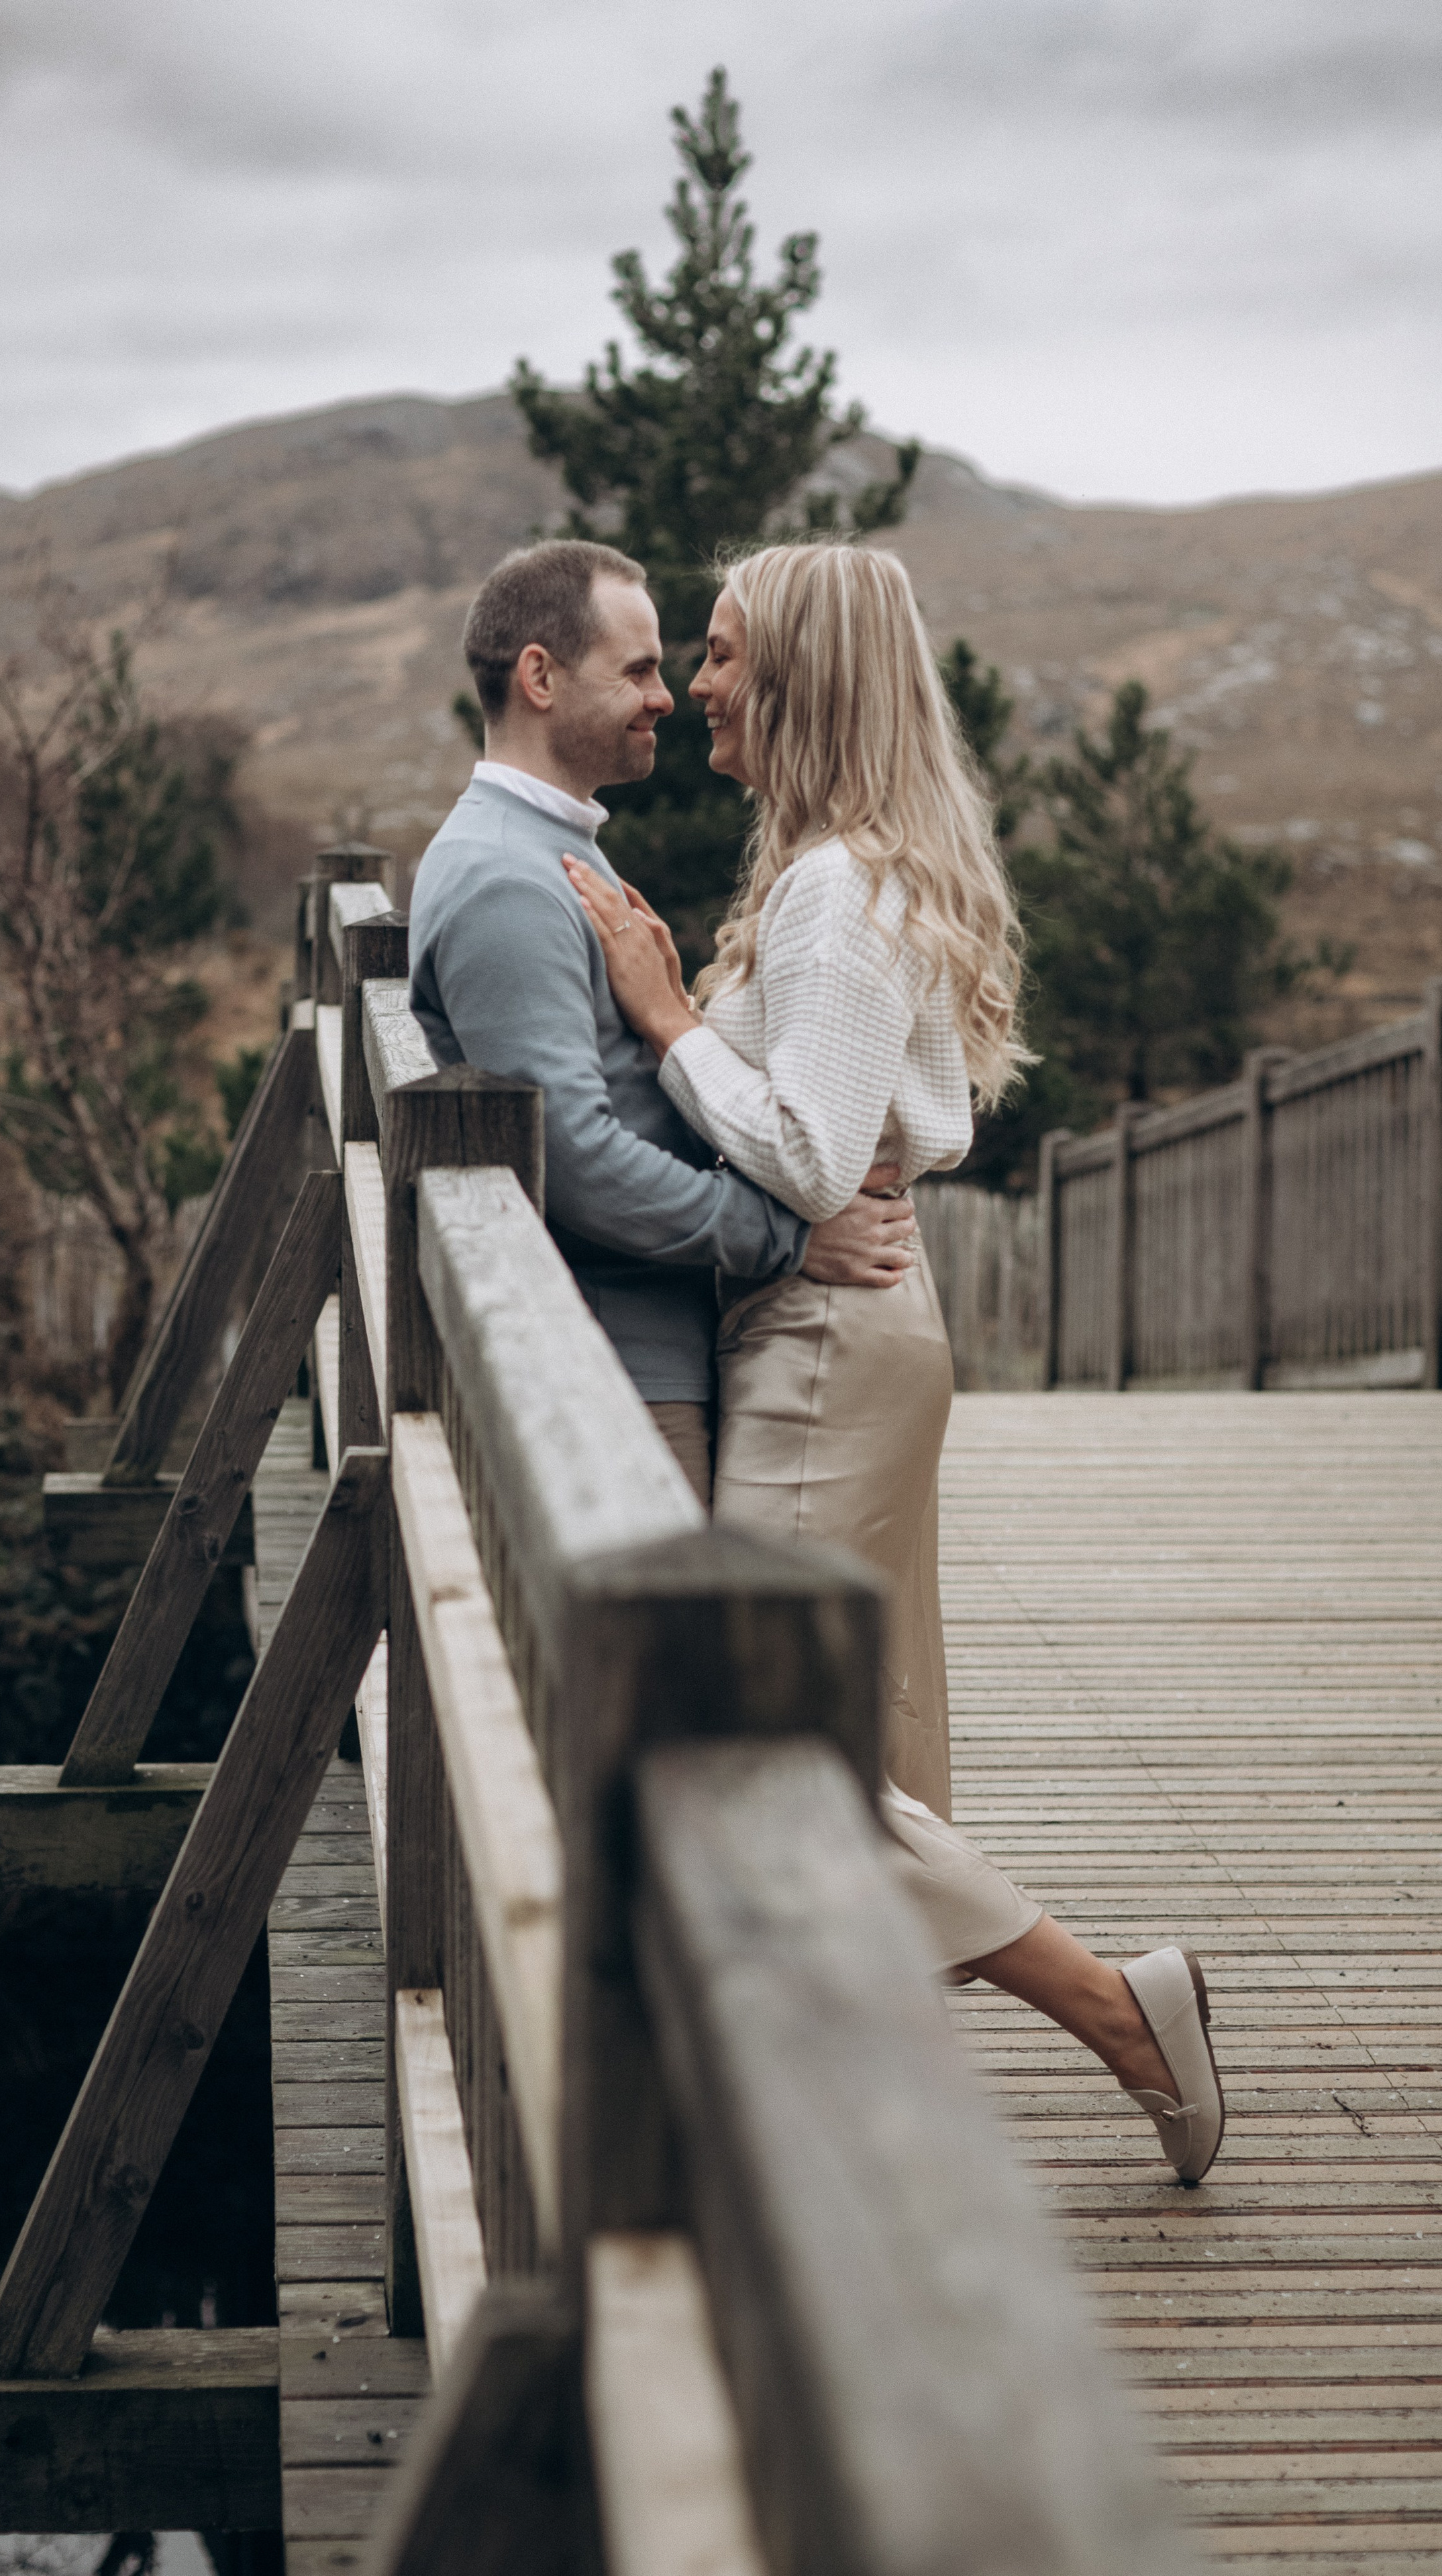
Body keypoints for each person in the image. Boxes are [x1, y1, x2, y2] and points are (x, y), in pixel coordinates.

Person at [558, 539, 1224, 2185]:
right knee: (851, 1728)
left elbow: (805, 1147)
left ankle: (1115, 2011)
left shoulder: (828, 889)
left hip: (822, 1344)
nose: (698, 683)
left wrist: (662, 1020)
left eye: (718, 653)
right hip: (858, 1328)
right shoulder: (858, 872)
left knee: (754, 1735)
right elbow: (886, 1128)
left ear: (798, 676)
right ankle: (840, 2082)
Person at [408, 539, 918, 1518]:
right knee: (674, 1670)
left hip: (640, 1349)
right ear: (541, 678)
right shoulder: (512, 881)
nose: (668, 695)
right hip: (613, 1371)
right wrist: (788, 1240)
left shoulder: (550, 849)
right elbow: (573, 1154)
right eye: (638, 669)